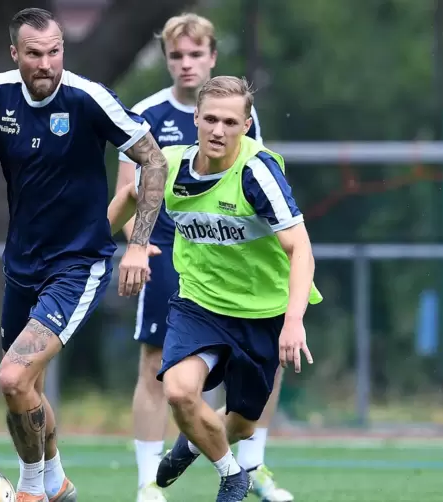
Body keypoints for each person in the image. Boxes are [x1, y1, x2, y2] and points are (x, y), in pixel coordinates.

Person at [0, 7, 168, 502]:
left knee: (13, 377)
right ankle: (56, 484)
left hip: (78, 263)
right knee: (23, 388)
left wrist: (137, 246)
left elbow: (155, 160)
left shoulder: (88, 98)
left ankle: (32, 490)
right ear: (16, 54)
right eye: (34, 54)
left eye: (55, 51)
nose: (46, 63)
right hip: (21, 266)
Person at [109, 75, 322, 502]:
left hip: (263, 312)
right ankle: (232, 475)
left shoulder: (257, 174)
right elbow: (130, 196)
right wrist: (102, 246)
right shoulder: (168, 165)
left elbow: (300, 247)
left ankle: (191, 444)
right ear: (196, 119)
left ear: (246, 126)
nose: (218, 131)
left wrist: (293, 321)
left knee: (242, 424)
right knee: (178, 391)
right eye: (210, 119)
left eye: (229, 121)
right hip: (200, 304)